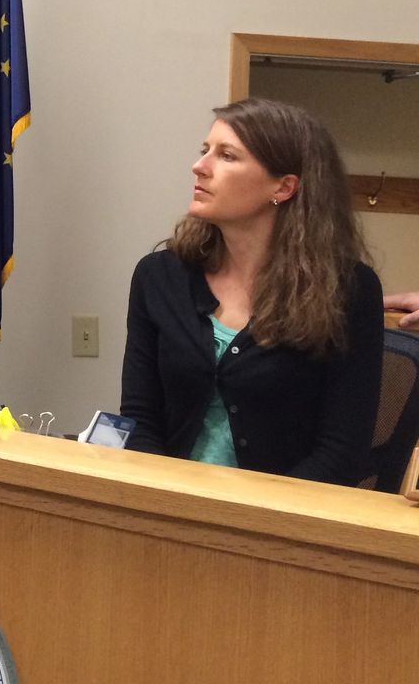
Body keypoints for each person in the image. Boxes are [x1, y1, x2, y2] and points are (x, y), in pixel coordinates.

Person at [121, 98, 382, 486]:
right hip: (168, 512)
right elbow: (139, 419)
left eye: (227, 156)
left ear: (283, 186)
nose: (200, 166)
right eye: (204, 150)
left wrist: (256, 520)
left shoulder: (349, 290)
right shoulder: (158, 275)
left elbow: (341, 452)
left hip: (283, 525)